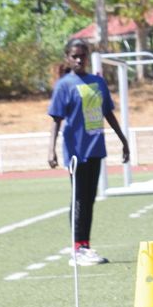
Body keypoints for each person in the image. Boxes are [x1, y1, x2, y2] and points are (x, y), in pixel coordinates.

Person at [46, 35, 131, 266]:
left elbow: (108, 113)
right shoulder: (64, 85)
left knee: (89, 198)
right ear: (67, 58)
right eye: (74, 56)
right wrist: (51, 150)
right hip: (76, 151)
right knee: (79, 198)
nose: (79, 60)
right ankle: (77, 248)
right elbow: (56, 119)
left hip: (96, 149)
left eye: (82, 56)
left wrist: (123, 140)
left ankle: (85, 245)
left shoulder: (97, 82)